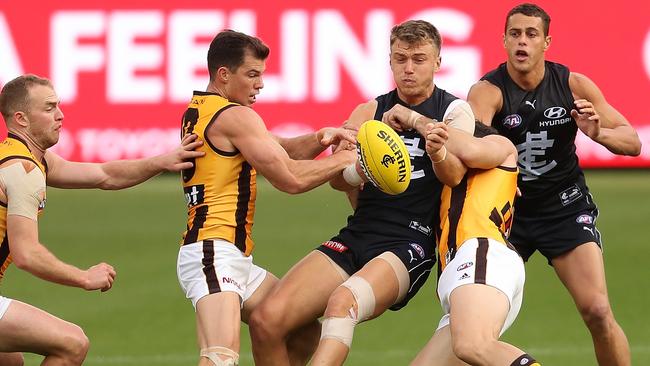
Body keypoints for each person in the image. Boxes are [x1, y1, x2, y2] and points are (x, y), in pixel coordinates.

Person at [249, 20, 475, 366]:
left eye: (418, 59)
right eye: (400, 59)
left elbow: (456, 175)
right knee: (267, 321)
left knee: (343, 303)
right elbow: (337, 179)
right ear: (389, 61)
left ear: (438, 62)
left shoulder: (453, 111)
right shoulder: (369, 112)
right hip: (360, 233)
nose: (409, 68)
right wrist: (362, 165)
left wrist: (419, 127)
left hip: (410, 242)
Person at [466, 3, 641, 365]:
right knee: (475, 327)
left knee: (597, 309)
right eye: (515, 34)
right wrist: (496, 168)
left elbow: (632, 141)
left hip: (564, 208)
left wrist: (598, 133)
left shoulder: (572, 84)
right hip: (505, 215)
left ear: (547, 41)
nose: (522, 42)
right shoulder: (487, 92)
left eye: (531, 34)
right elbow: (472, 147)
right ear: (503, 40)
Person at [175, 29, 357, 366]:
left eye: (262, 75)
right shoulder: (235, 117)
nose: (260, 84)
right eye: (252, 74)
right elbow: (289, 178)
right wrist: (342, 161)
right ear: (224, 74)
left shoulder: (202, 109)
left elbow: (283, 149)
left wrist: (322, 138)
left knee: (300, 329)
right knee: (220, 357)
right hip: (214, 250)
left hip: (230, 255)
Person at [0, 74, 204, 365]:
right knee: (72, 343)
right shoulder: (24, 171)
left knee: (11, 361)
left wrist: (160, 161)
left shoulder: (25, 158)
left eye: (58, 105)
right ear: (20, 119)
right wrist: (84, 277)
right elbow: (26, 254)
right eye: (48, 108)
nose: (60, 115)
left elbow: (104, 175)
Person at [407, 121, 541, 366]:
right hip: (468, 272)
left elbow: (466, 149)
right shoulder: (448, 177)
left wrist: (412, 118)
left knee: (473, 345)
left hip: (481, 252)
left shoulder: (497, 144)